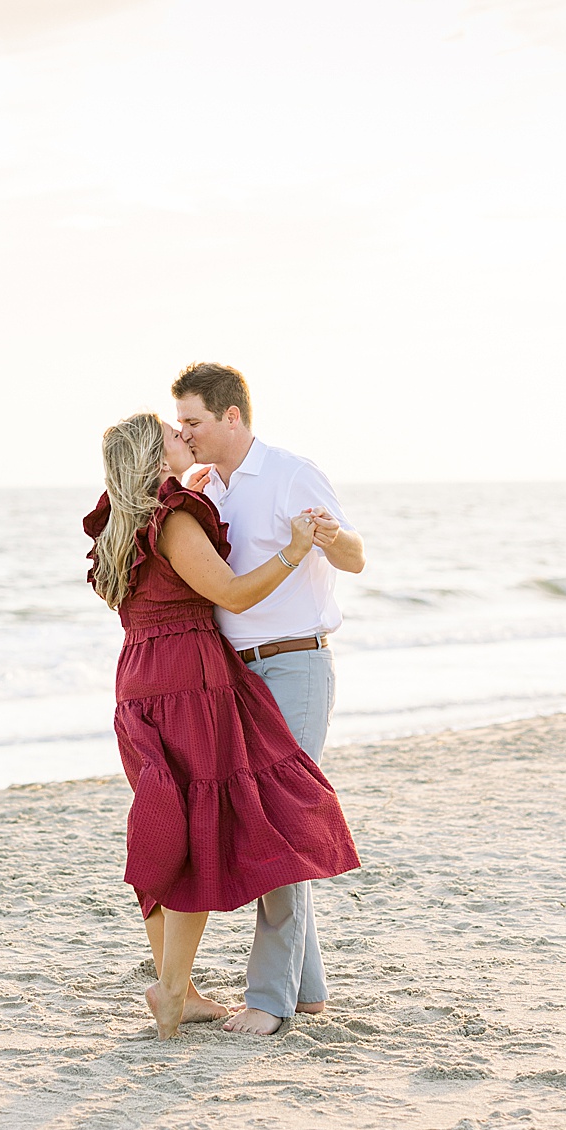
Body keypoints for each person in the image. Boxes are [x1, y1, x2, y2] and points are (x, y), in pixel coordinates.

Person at [84, 412, 361, 1039]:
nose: (186, 436)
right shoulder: (174, 517)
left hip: (140, 681)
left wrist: (195, 481)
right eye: (175, 433)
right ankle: (175, 992)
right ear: (158, 456)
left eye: (190, 424)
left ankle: (201, 986)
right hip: (188, 682)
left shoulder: (120, 517)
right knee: (199, 826)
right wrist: (293, 551)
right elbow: (232, 596)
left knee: (162, 821)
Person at [170, 361, 366, 1037]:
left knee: (278, 826)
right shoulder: (204, 488)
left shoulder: (290, 472)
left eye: (194, 421)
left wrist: (327, 539)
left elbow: (357, 558)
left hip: (295, 667)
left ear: (232, 417)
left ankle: (272, 1002)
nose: (185, 433)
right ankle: (306, 989)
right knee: (264, 821)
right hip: (235, 676)